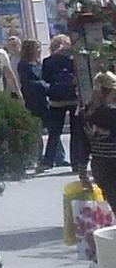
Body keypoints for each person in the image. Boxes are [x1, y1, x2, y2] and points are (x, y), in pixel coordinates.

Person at [40, 35, 80, 171]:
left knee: (55, 132)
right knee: (75, 132)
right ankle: (76, 162)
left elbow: (45, 79)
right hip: (72, 99)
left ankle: (48, 161)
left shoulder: (48, 61)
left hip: (57, 100)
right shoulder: (72, 60)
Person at [80, 71, 116, 207]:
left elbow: (84, 145)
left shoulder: (86, 113)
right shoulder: (111, 113)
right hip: (112, 163)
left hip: (99, 164)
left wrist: (82, 172)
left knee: (111, 201)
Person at [16, 38, 50, 161]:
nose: (39, 50)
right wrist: (44, 85)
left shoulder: (38, 63)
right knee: (35, 130)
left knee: (50, 128)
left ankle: (53, 156)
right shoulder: (23, 65)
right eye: (37, 48)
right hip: (32, 101)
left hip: (43, 100)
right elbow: (27, 82)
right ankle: (37, 157)